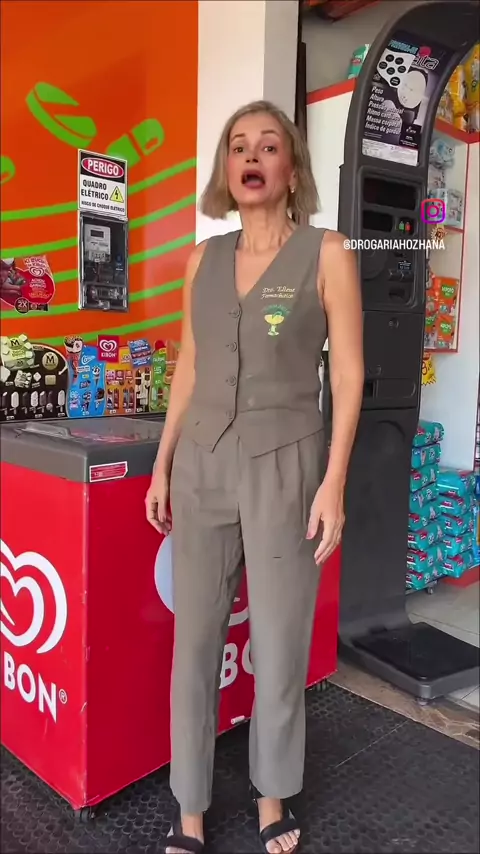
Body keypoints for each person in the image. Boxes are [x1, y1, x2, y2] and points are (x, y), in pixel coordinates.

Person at [145, 100, 364, 854]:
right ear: (226, 169)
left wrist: (334, 480)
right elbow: (189, 366)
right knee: (195, 644)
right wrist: (163, 462)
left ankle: (272, 797)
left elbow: (350, 375)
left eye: (268, 145)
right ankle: (190, 807)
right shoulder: (202, 260)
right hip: (203, 463)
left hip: (287, 467)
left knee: (278, 644)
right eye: (239, 146)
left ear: (290, 169)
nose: (252, 156)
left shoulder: (328, 253)